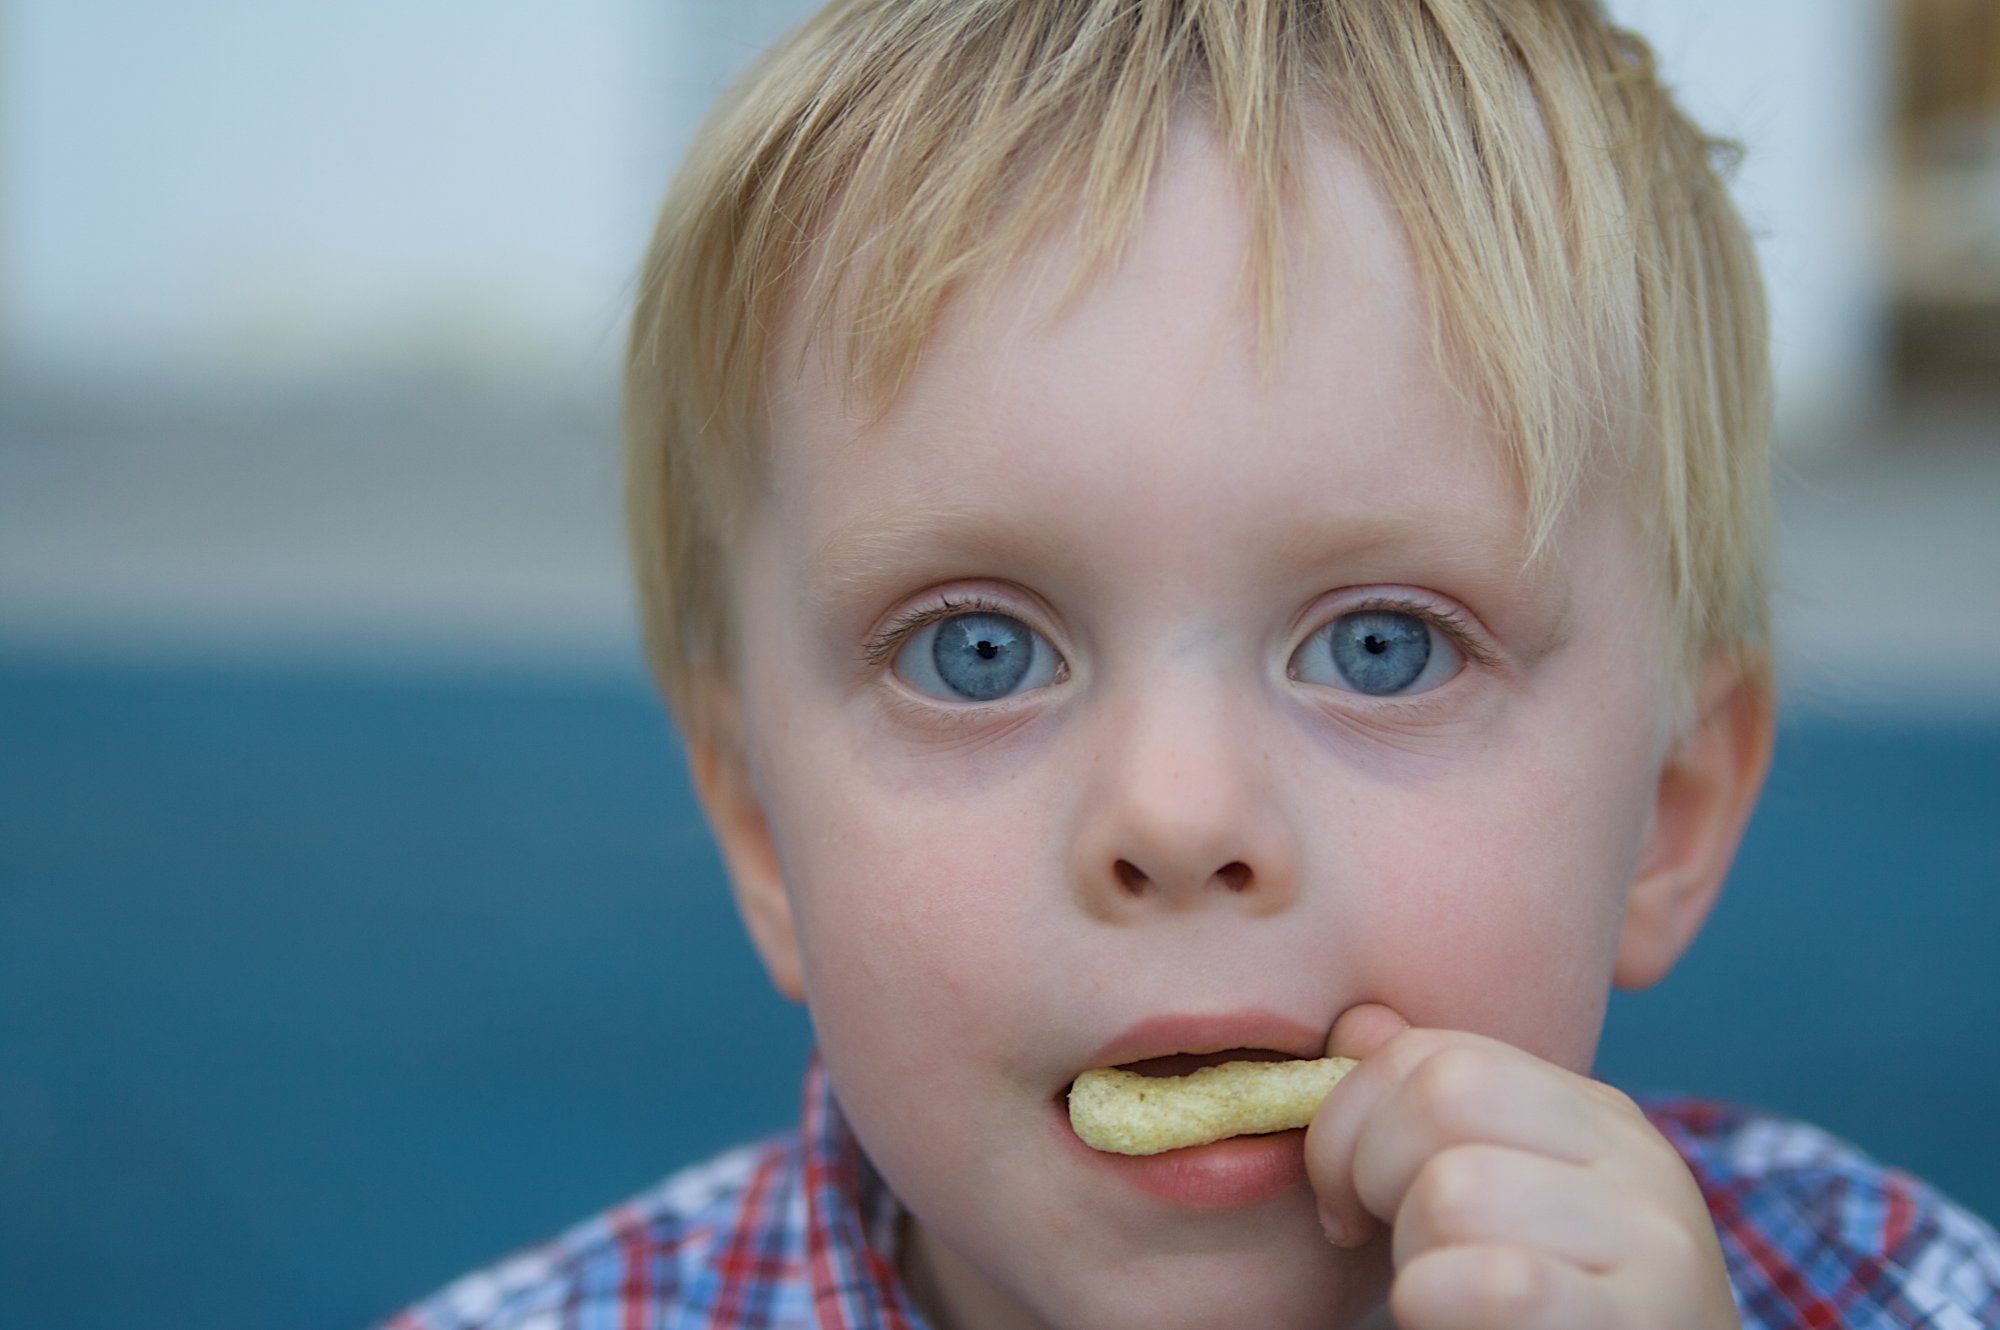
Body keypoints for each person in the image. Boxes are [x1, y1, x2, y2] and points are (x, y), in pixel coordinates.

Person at [383, 1, 2000, 1326]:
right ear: (756, 826)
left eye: (1381, 647)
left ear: (1671, 803)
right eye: (976, 650)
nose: (1174, 811)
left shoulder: (1903, 1286)